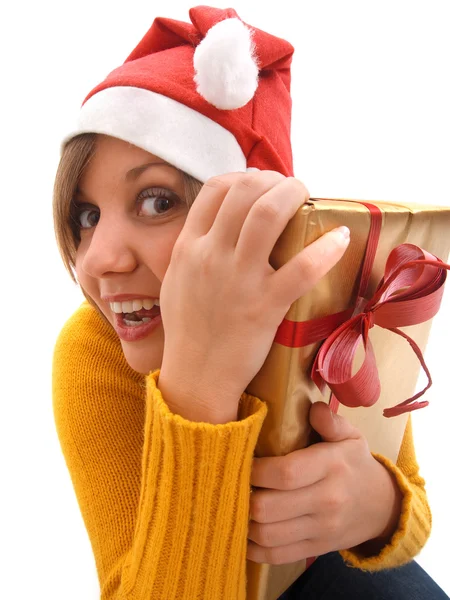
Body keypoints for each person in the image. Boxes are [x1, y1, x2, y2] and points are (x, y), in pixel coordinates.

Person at [52, 6, 449, 599]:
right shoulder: (94, 353)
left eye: (157, 201)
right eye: (86, 217)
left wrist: (379, 509)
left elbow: (411, 504)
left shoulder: (332, 315)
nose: (96, 259)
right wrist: (199, 387)